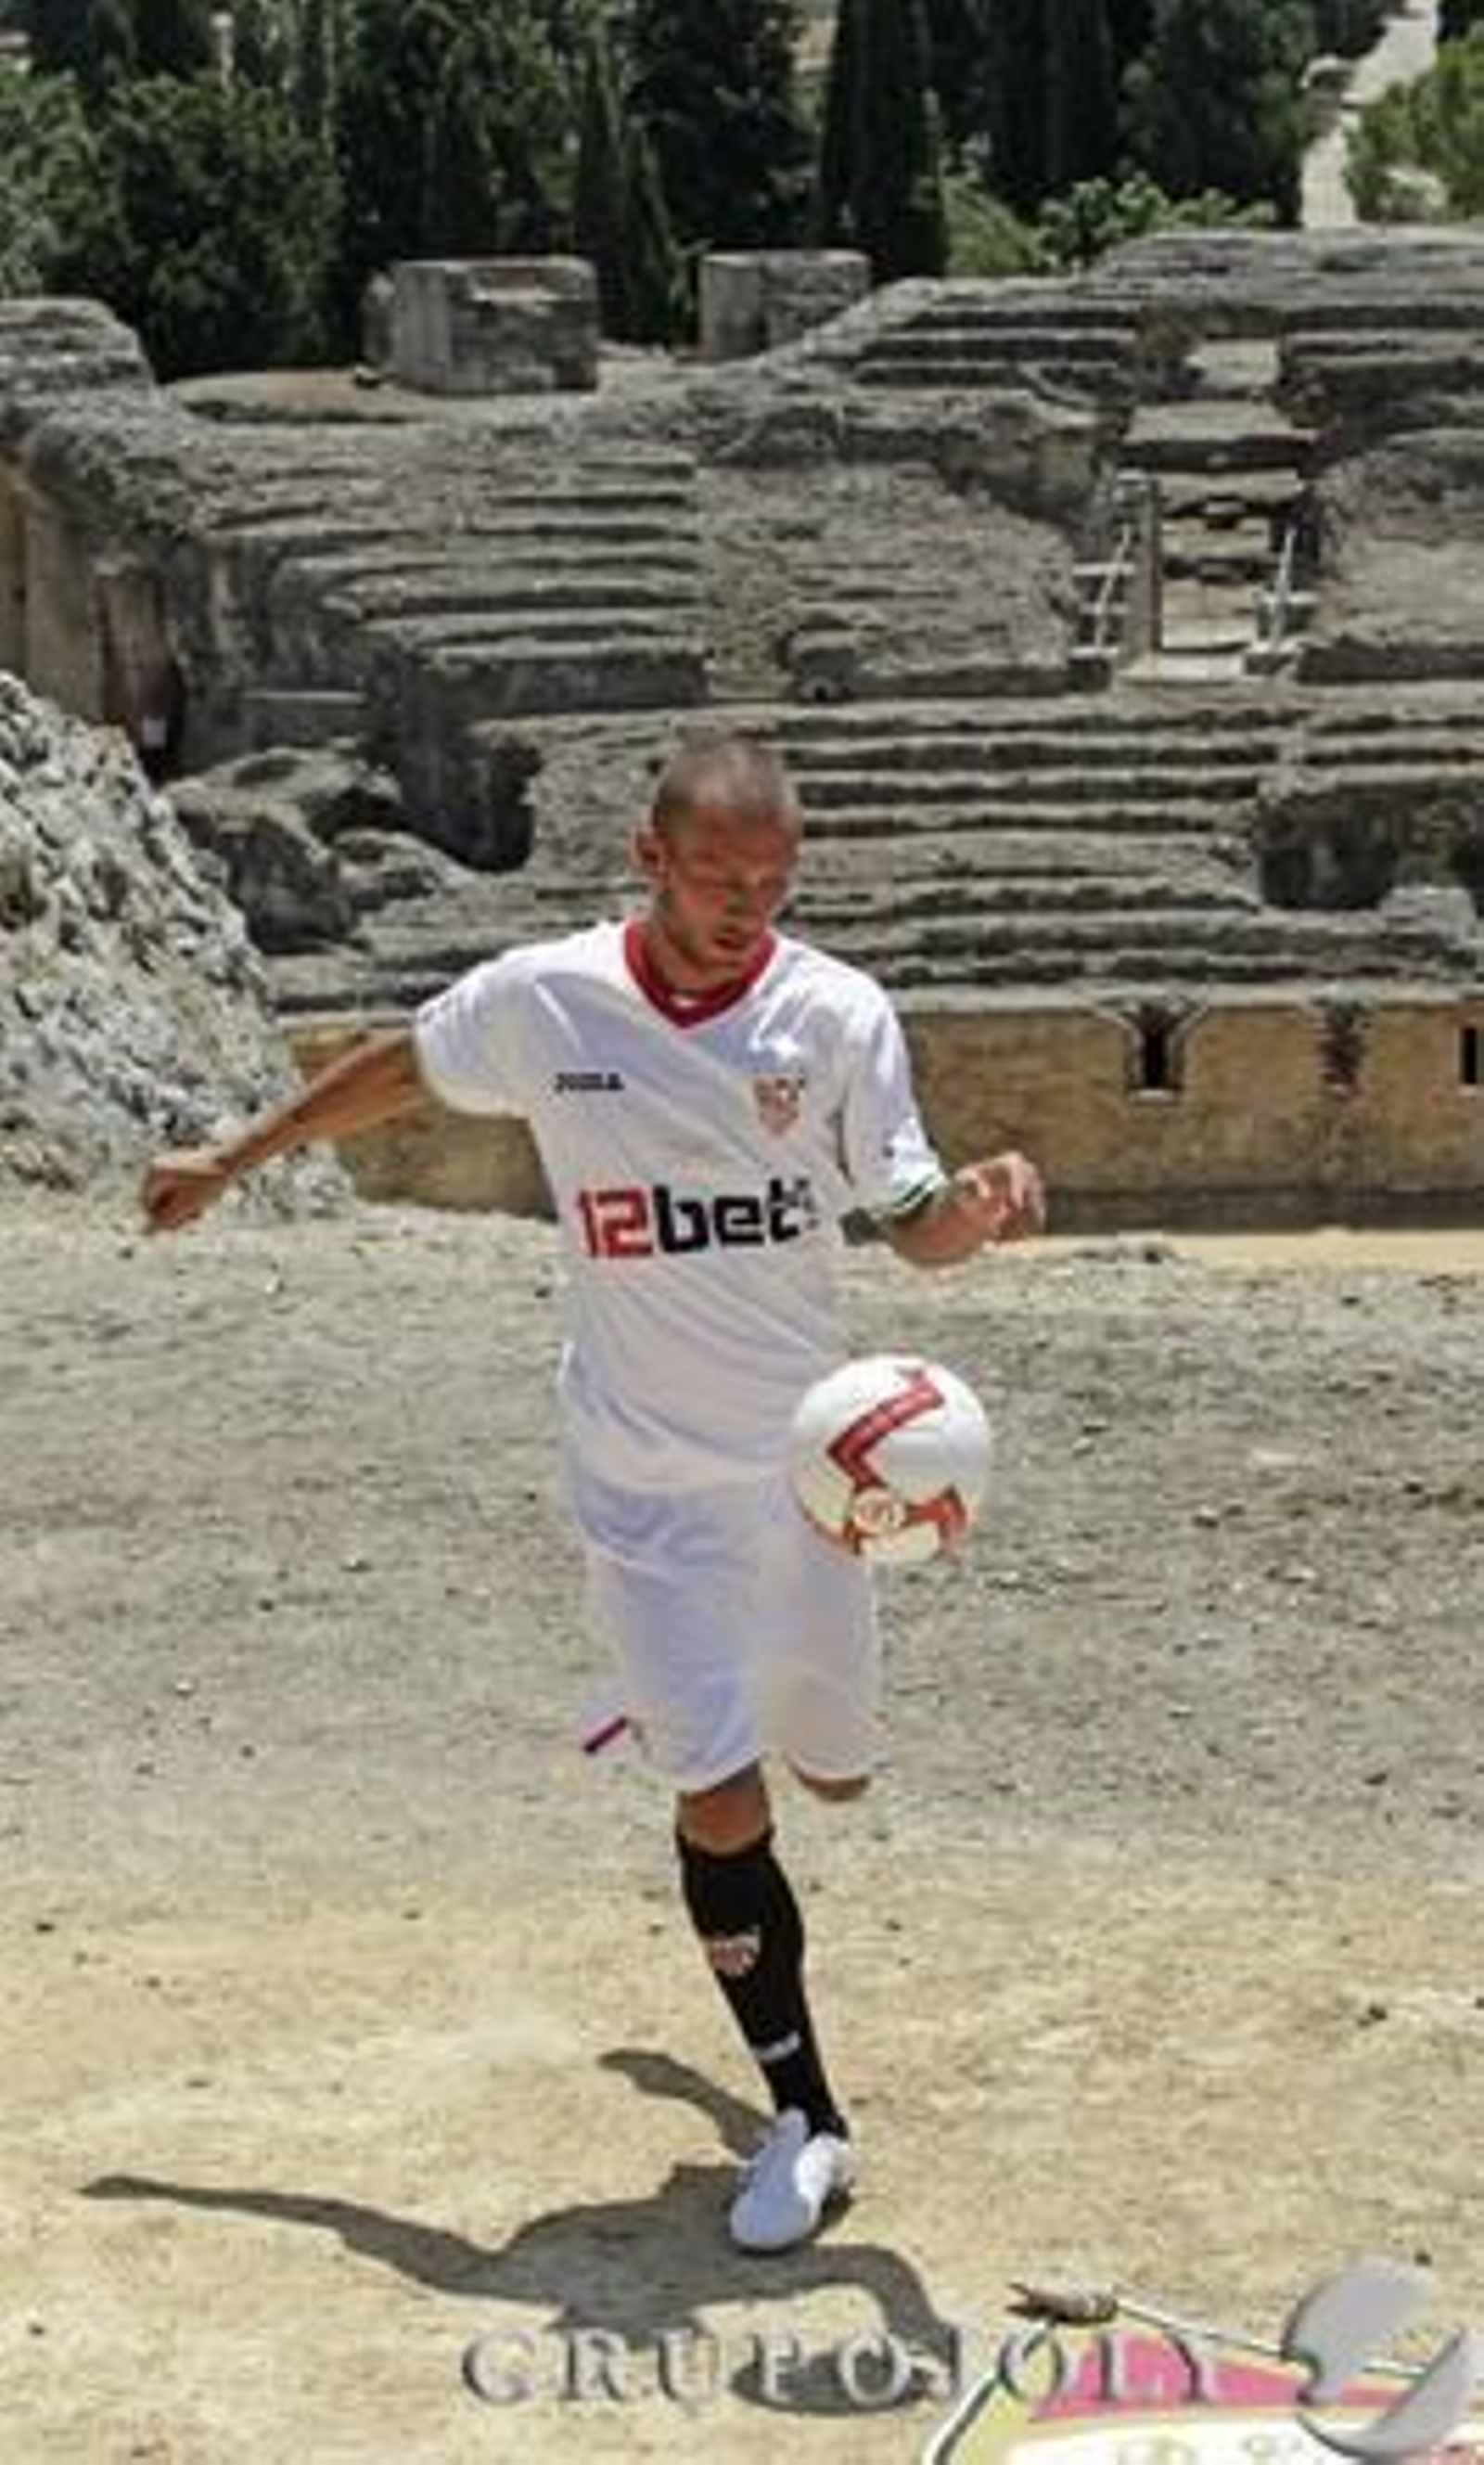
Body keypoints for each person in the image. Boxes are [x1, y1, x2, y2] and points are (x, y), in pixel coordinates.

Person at [142, 729, 1044, 2255]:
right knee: (719, 1793)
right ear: (649, 858)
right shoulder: (552, 998)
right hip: (636, 1485)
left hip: (806, 1485)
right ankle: (806, 2115)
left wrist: (984, 1209)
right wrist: (236, 1155)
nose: (742, 908)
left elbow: (916, 1230)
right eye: (713, 880)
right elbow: (405, 1068)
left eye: (768, 883)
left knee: (833, 1777)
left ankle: (725, 1743)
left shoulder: (833, 1016)